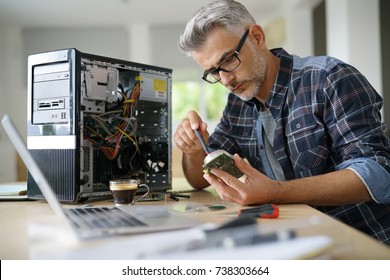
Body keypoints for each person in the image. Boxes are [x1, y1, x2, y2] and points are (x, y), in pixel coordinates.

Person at [173, 0, 390, 245]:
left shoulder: (330, 78)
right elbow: (200, 179)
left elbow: (377, 175)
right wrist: (193, 151)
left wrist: (274, 191)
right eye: (213, 72)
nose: (225, 80)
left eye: (229, 61)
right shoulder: (237, 104)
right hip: (294, 240)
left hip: (364, 242)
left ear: (257, 37)